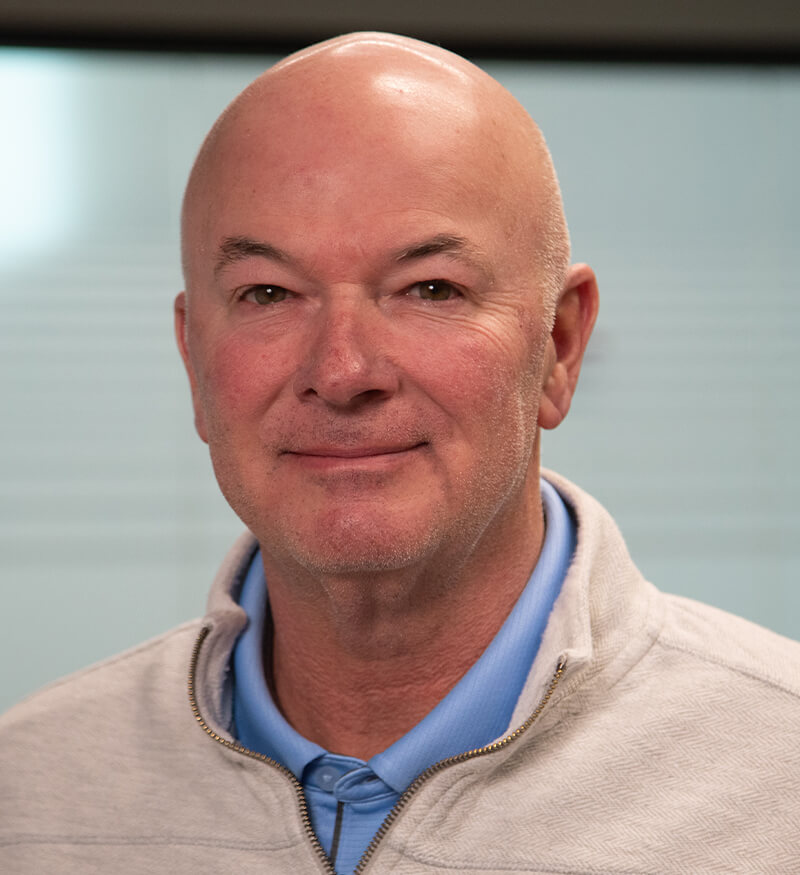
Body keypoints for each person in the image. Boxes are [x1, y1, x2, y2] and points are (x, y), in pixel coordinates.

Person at [2, 31, 799, 875]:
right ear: (194, 359)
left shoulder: (778, 775)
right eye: (268, 293)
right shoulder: (28, 795)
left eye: (430, 289)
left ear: (559, 348)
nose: (343, 372)